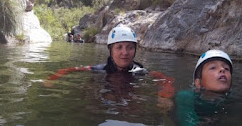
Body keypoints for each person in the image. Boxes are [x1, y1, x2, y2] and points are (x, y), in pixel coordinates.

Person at [45, 24, 175, 109]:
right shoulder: (100, 70)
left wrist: (164, 94)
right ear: (110, 50)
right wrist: (54, 77)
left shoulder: (140, 71)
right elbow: (72, 69)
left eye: (130, 47)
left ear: (135, 50)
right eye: (119, 47)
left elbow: (163, 78)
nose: (125, 52)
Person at [175, 49, 233, 126]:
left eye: (226, 68)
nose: (222, 69)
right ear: (198, 83)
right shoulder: (186, 97)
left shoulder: (232, 100)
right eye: (213, 67)